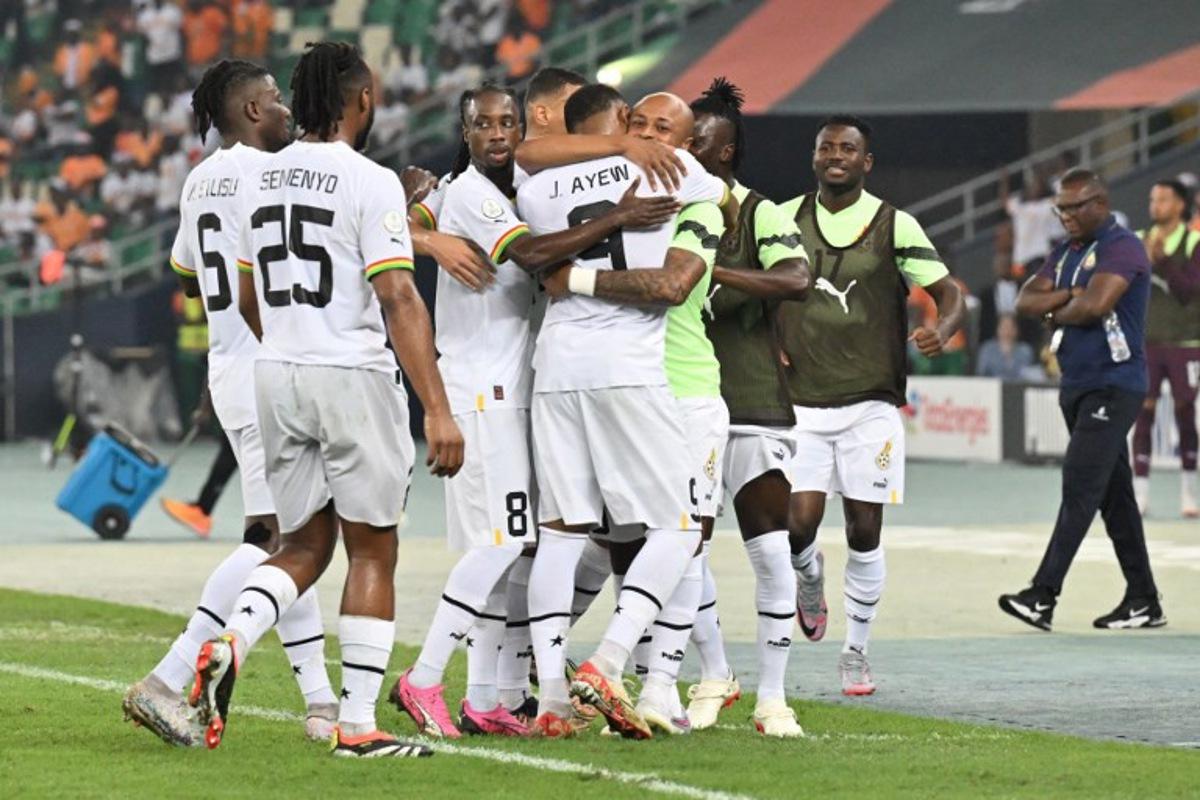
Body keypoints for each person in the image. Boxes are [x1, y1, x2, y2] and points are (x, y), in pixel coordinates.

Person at [188, 42, 462, 759]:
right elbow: (398, 295)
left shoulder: (257, 177)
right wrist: (436, 406)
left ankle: (231, 637)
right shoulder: (369, 181)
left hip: (276, 373)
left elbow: (247, 294)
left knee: (302, 543)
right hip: (350, 373)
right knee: (372, 549)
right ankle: (359, 724)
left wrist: (287, 340)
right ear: (361, 98)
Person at [390, 84, 679, 739]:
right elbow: (530, 255)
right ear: (463, 134)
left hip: (516, 386)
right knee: (504, 542)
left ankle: (489, 697)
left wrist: (417, 220)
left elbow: (417, 214)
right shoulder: (471, 193)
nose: (497, 133)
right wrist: (616, 219)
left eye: (507, 122)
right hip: (482, 388)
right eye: (482, 124)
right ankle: (425, 676)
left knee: (517, 553)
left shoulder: (505, 188)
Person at [123, 59, 337, 748]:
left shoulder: (199, 177)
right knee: (289, 542)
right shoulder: (268, 173)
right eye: (274, 100)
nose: (284, 110)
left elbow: (187, 275)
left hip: (230, 368)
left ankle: (320, 703)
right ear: (249, 111)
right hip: (273, 369)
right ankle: (168, 676)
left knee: (286, 539)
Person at [517, 88, 733, 739]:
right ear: (620, 125)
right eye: (637, 123)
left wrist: (611, 146)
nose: (645, 133)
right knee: (678, 525)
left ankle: (553, 701)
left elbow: (530, 150)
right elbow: (717, 201)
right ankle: (611, 661)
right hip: (626, 369)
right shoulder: (675, 168)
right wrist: (647, 153)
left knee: (560, 532)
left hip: (555, 366)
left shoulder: (537, 185)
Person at [778, 115, 964, 696]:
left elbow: (948, 292)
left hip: (871, 404)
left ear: (867, 163)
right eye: (826, 147)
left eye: (848, 149)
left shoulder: (895, 223)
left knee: (864, 528)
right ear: (814, 158)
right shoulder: (781, 219)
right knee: (797, 526)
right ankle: (810, 580)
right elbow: (753, 289)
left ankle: (856, 652)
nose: (836, 155)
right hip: (801, 404)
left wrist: (947, 326)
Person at [685, 77, 811, 734]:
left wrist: (716, 269)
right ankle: (714, 673)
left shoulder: (759, 213)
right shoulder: (664, 209)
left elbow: (797, 278)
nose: (684, 151)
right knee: (685, 549)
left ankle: (773, 697)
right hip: (684, 402)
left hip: (754, 401)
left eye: (697, 143)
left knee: (768, 550)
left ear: (727, 152)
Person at [999, 168, 1165, 631]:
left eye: (1074, 207)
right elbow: (1024, 301)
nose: (1065, 216)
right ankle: (1144, 600)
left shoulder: (1123, 247)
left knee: (1080, 484)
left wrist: (1063, 303)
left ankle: (1042, 594)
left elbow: (1096, 307)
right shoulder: (1067, 251)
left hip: (1115, 383)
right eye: (1060, 208)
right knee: (1115, 498)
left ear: (1100, 203)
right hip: (1078, 384)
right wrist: (1070, 294)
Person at [1132, 180, 1200, 517]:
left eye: (1162, 199)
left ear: (1179, 205)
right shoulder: (1139, 240)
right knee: (1142, 414)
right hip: (1148, 342)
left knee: (1185, 413)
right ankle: (1140, 495)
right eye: (1152, 198)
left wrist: (1162, 263)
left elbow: (1190, 291)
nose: (1154, 205)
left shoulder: (1193, 242)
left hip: (1185, 343)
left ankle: (1188, 491)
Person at [976, 313, 1036, 380]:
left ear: (1017, 330)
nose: (1007, 331)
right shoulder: (987, 348)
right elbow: (981, 374)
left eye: (1011, 327)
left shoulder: (1025, 350)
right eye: (1004, 327)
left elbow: (1029, 375)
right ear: (998, 329)